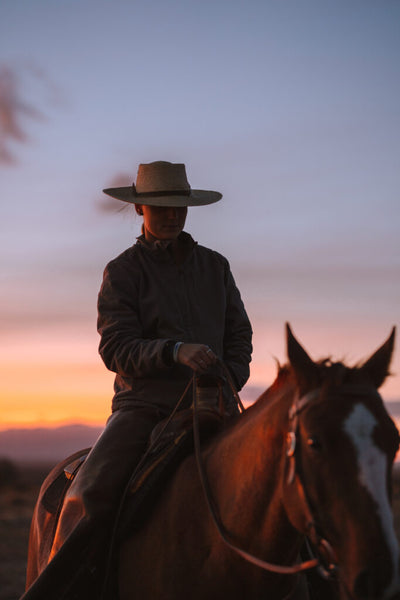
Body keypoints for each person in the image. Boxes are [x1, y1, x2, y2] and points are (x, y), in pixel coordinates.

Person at [23, 160, 252, 599]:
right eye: (160, 207)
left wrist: (229, 377)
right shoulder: (123, 271)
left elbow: (239, 334)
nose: (171, 215)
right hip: (143, 407)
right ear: (140, 208)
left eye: (178, 206)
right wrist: (173, 351)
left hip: (214, 403)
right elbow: (116, 348)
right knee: (92, 494)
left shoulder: (216, 267)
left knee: (281, 476)